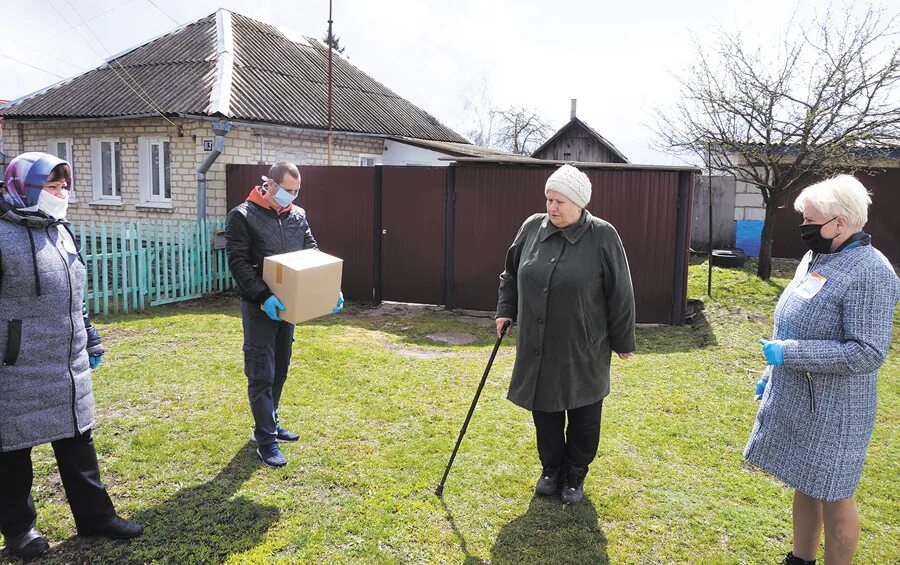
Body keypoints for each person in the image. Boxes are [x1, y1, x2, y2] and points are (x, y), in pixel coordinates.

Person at [744, 175, 899, 565]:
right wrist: (773, 372)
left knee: (835, 492)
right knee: (806, 480)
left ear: (840, 223)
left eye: (810, 220)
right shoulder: (819, 256)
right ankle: (800, 559)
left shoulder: (871, 271)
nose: (803, 228)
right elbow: (797, 319)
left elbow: (867, 352)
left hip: (837, 409)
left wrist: (789, 354)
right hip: (803, 396)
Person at [0, 152, 143, 560]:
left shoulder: (60, 230)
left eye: (64, 186)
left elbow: (76, 297)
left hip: (66, 361)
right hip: (14, 368)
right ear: (23, 186)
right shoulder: (1, 235)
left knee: (79, 441)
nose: (62, 193)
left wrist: (91, 337)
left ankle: (96, 516)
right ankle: (20, 531)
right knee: (11, 453)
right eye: (52, 186)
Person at [495, 164, 636, 505]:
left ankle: (575, 473)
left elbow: (621, 292)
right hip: (537, 344)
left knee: (584, 412)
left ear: (579, 203)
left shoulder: (603, 235)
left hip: (582, 345)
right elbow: (511, 273)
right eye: (548, 199)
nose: (552, 207)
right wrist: (505, 309)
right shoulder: (532, 227)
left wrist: (623, 341)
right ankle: (551, 468)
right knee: (544, 411)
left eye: (560, 201)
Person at [226, 161, 341, 468]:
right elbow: (238, 264)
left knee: (280, 368)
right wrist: (263, 296)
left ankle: (269, 423)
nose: (292, 196)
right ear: (271, 185)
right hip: (260, 308)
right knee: (261, 371)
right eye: (287, 190)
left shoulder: (298, 216)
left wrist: (330, 287)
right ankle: (265, 442)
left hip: (288, 307)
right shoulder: (243, 216)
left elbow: (311, 252)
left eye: (297, 191)